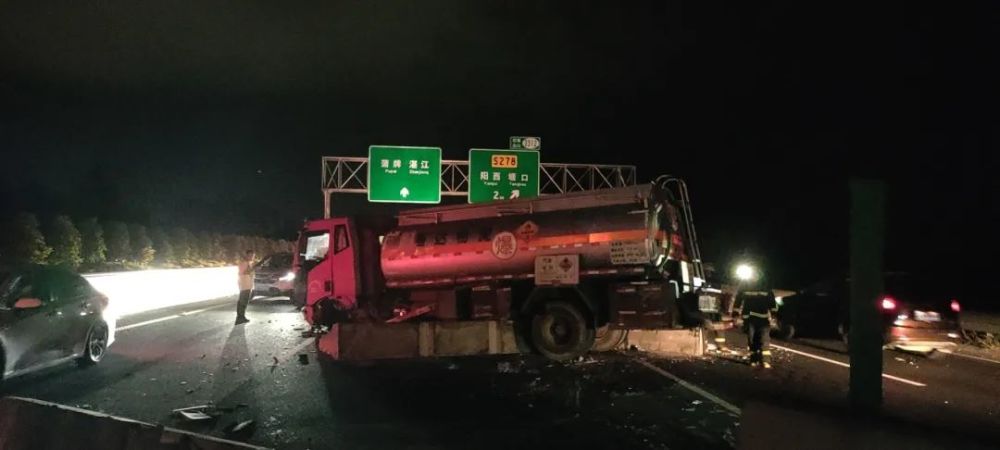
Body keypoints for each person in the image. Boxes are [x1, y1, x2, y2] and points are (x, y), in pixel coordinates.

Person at [734, 282, 777, 368]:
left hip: (762, 319)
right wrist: (735, 313)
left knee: (764, 340)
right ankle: (754, 359)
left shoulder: (766, 287)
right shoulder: (745, 286)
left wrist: (774, 315)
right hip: (750, 319)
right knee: (752, 340)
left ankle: (765, 360)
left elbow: (772, 302)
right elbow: (738, 300)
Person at [235, 250, 256, 325]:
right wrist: (252, 268)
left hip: (248, 285)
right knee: (242, 301)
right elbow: (244, 272)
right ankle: (240, 317)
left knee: (245, 301)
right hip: (244, 285)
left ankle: (241, 317)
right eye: (250, 255)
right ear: (246, 255)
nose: (251, 257)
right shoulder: (244, 263)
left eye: (253, 256)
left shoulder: (249, 263)